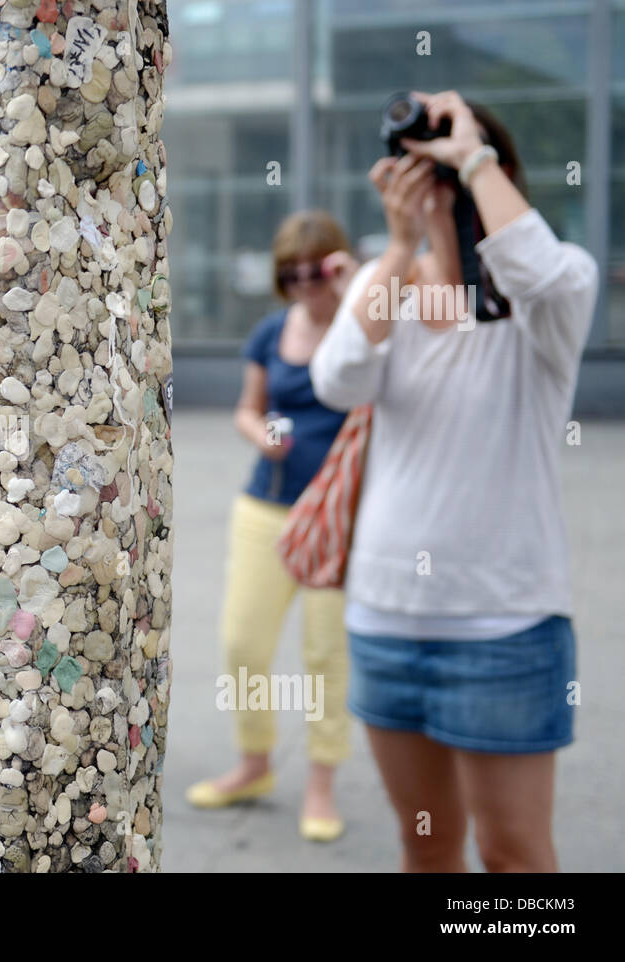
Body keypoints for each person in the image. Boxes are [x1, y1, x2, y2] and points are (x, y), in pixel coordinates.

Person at [310, 91, 597, 872]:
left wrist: (471, 156)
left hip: (502, 629)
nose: (429, 180)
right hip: (385, 620)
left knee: (514, 858)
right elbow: (336, 380)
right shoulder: (389, 284)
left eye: (448, 167)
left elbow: (542, 275)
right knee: (425, 846)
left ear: (496, 175)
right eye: (418, 165)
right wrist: (401, 248)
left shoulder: (549, 296)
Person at [186, 210, 359, 842]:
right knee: (243, 644)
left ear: (337, 267)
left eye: (319, 270)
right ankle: (254, 763)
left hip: (336, 513)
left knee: (323, 653)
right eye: (294, 272)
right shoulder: (269, 332)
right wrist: (262, 436)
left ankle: (321, 783)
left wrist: (359, 289)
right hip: (265, 504)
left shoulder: (361, 331)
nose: (306, 283)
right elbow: (246, 409)